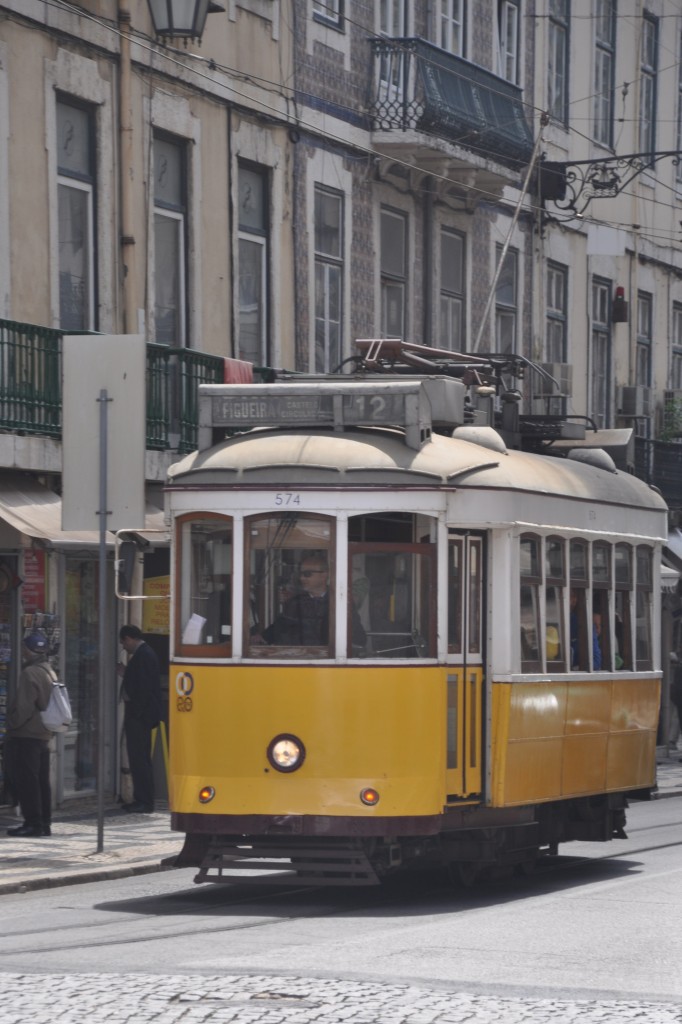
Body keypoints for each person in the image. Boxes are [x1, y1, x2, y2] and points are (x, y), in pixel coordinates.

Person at [258, 554, 366, 649]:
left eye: (307, 574)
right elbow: (278, 629)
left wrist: (346, 613)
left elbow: (359, 639)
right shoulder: (295, 603)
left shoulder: (340, 601)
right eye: (300, 574)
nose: (302, 578)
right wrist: (261, 638)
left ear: (324, 575)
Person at [6, 631, 53, 837]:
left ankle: (32, 823)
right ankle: (44, 823)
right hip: (43, 734)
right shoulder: (49, 670)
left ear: (27, 650)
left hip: (27, 735)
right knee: (42, 780)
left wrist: (11, 725)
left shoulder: (29, 673)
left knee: (28, 781)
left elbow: (24, 707)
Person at [118, 625, 162, 813]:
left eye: (123, 642)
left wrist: (136, 713)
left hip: (139, 716)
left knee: (139, 758)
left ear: (129, 638)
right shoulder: (145, 654)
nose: (124, 647)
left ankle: (143, 800)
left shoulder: (144, 655)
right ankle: (143, 798)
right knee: (140, 758)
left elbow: (143, 687)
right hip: (141, 715)